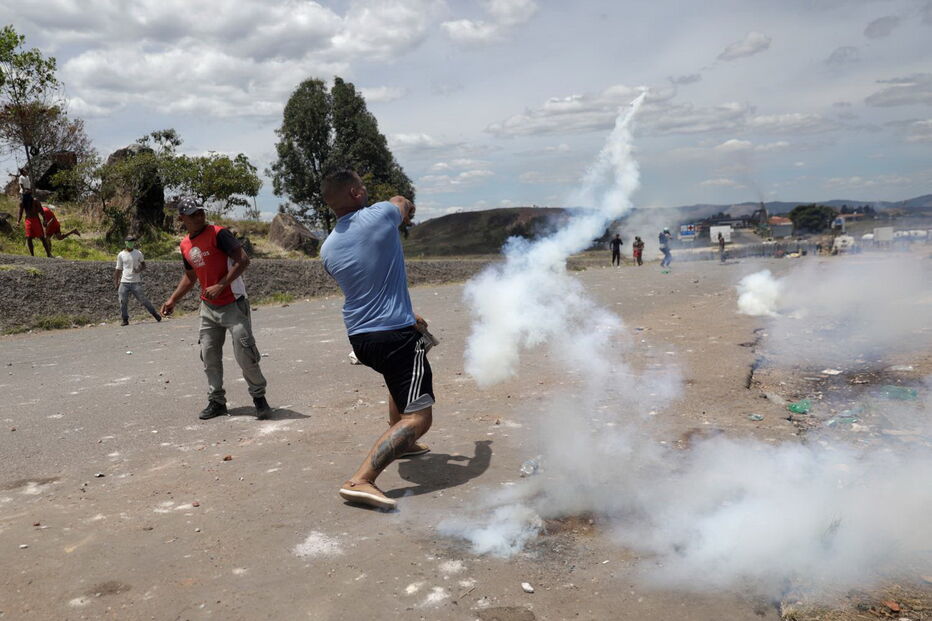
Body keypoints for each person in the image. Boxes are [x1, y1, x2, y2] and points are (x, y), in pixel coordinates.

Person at [320, 169, 434, 511]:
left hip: (361, 338)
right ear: (355, 192)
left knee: (396, 377)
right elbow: (402, 202)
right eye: (363, 185)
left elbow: (367, 284)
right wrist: (406, 208)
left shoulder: (327, 248)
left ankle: (401, 440)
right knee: (420, 418)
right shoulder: (380, 214)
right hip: (395, 335)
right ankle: (362, 480)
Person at [159, 197, 272, 421]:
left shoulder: (219, 234)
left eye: (200, 212)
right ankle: (217, 401)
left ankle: (259, 399)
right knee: (209, 355)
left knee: (245, 353)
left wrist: (221, 285)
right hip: (208, 308)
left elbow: (243, 260)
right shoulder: (185, 245)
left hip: (233, 302)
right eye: (192, 214)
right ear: (182, 218)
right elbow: (191, 277)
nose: (199, 216)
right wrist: (173, 300)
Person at [114, 236, 161, 326]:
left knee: (143, 300)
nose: (131, 244)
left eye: (133, 242)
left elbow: (144, 265)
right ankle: (125, 319)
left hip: (136, 282)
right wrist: (116, 282)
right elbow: (118, 269)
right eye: (129, 242)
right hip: (124, 282)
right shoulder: (121, 255)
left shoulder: (138, 253)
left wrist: (139, 269)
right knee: (122, 301)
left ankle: (155, 314)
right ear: (126, 243)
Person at [16, 178, 52, 258]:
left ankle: (48, 254)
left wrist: (45, 220)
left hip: (36, 220)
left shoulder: (35, 201)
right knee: (28, 237)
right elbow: (20, 212)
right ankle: (32, 256)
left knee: (41, 237)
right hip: (28, 220)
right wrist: (18, 221)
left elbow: (42, 211)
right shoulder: (22, 203)